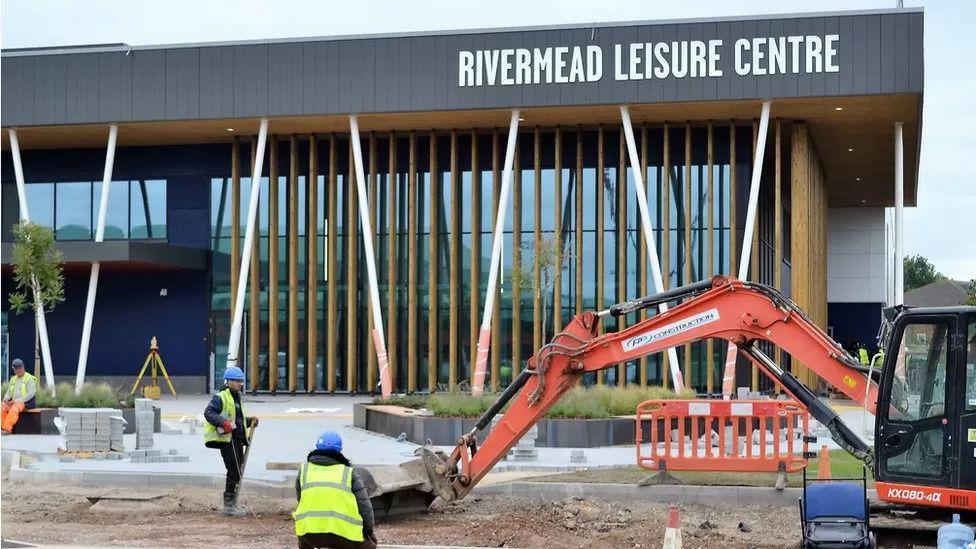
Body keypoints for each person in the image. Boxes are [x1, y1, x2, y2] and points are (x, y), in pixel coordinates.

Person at [294, 430, 377, 549]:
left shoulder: (304, 470)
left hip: (308, 535)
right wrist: (369, 532)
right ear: (340, 450)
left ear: (317, 447)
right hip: (343, 535)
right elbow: (364, 506)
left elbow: (301, 500)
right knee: (368, 546)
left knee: (304, 545)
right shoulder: (349, 473)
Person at [203, 366, 257, 516]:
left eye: (241, 381)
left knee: (237, 470)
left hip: (238, 439)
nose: (241, 384)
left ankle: (232, 504)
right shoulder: (220, 397)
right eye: (238, 381)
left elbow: (236, 419)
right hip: (227, 440)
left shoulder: (237, 397)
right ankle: (229, 506)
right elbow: (209, 413)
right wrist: (222, 423)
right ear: (229, 381)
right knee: (233, 470)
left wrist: (249, 420)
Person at [2, 358, 37, 434]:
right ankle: (2, 427)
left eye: (19, 368)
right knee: (2, 406)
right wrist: (5, 399)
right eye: (16, 369)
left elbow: (31, 394)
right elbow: (9, 392)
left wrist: (16, 401)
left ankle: (7, 429)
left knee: (15, 407)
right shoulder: (13, 379)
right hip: (14, 402)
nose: (18, 371)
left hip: (27, 403)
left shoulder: (29, 378)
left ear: (23, 367)